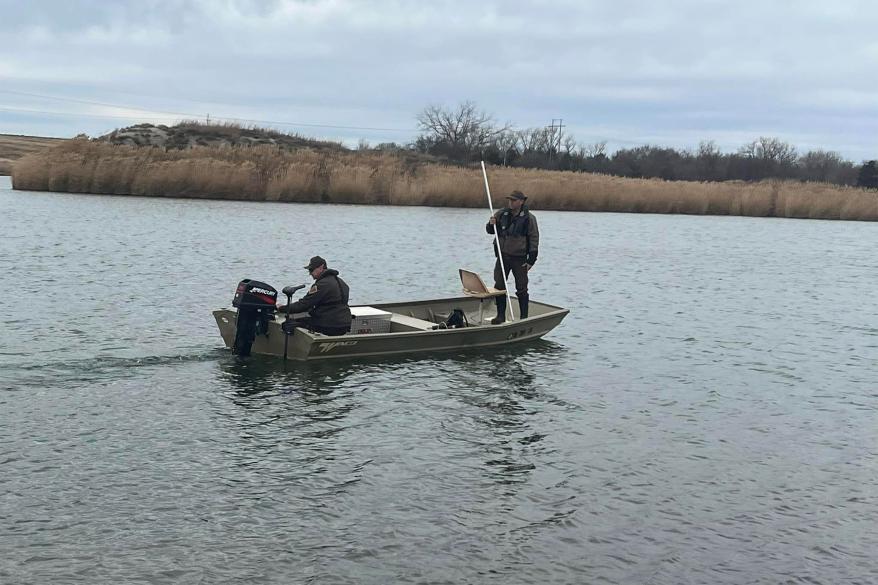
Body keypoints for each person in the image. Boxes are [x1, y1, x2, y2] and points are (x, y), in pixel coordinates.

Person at [486, 190, 539, 323]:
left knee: (521, 287)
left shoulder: (529, 218)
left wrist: (531, 260)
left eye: (514, 200)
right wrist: (490, 223)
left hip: (520, 258)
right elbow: (490, 231)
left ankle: (523, 318)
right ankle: (500, 316)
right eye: (510, 200)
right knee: (499, 285)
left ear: (521, 201)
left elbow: (534, 239)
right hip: (503, 257)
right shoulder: (501, 213)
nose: (511, 202)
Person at [276, 255, 352, 336]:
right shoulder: (342, 282)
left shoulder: (322, 284)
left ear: (321, 267)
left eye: (311, 270)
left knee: (288, 323)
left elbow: (304, 305)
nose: (310, 273)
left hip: (329, 325)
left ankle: (298, 348)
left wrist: (282, 308)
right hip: (344, 324)